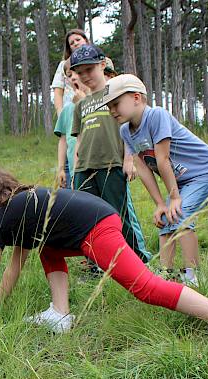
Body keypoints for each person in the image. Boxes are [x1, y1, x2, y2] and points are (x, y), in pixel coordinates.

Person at [0, 170, 208, 346]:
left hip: (96, 228)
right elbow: (13, 269)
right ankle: (60, 313)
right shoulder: (21, 207)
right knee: (48, 246)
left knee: (147, 287)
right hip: (95, 216)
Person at [101, 74, 208, 287]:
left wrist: (174, 198)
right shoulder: (125, 131)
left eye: (116, 104)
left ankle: (193, 276)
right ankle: (164, 274)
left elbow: (162, 159)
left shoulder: (156, 115)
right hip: (182, 180)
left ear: (136, 98)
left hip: (205, 171)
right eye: (109, 106)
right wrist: (160, 203)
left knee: (181, 215)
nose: (112, 111)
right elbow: (144, 169)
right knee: (165, 219)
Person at [69, 44, 151, 264]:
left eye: (90, 69)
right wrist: (75, 169)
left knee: (119, 215)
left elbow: (130, 128)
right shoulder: (81, 104)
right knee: (89, 219)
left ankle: (139, 259)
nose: (85, 76)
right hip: (85, 168)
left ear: (102, 65)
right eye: (80, 72)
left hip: (112, 164)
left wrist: (129, 159)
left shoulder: (116, 93)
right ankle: (98, 263)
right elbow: (79, 139)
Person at [54, 60, 90, 188]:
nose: (73, 77)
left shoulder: (100, 102)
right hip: (74, 170)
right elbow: (63, 140)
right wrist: (61, 169)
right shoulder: (67, 109)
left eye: (77, 72)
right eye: (69, 75)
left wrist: (83, 102)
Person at [51, 29, 89, 116]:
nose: (76, 43)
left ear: (85, 40)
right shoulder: (63, 65)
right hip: (70, 111)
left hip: (91, 107)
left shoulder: (98, 61)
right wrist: (60, 114)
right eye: (72, 43)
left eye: (78, 40)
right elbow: (58, 92)